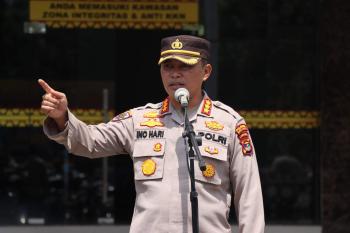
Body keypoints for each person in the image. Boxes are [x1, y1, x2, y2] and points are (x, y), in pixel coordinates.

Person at [39, 35, 265, 233]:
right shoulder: (140, 119)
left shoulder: (229, 122)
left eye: (184, 66)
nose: (175, 74)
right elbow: (90, 142)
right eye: (168, 66)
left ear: (206, 72)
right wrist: (62, 116)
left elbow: (249, 194)